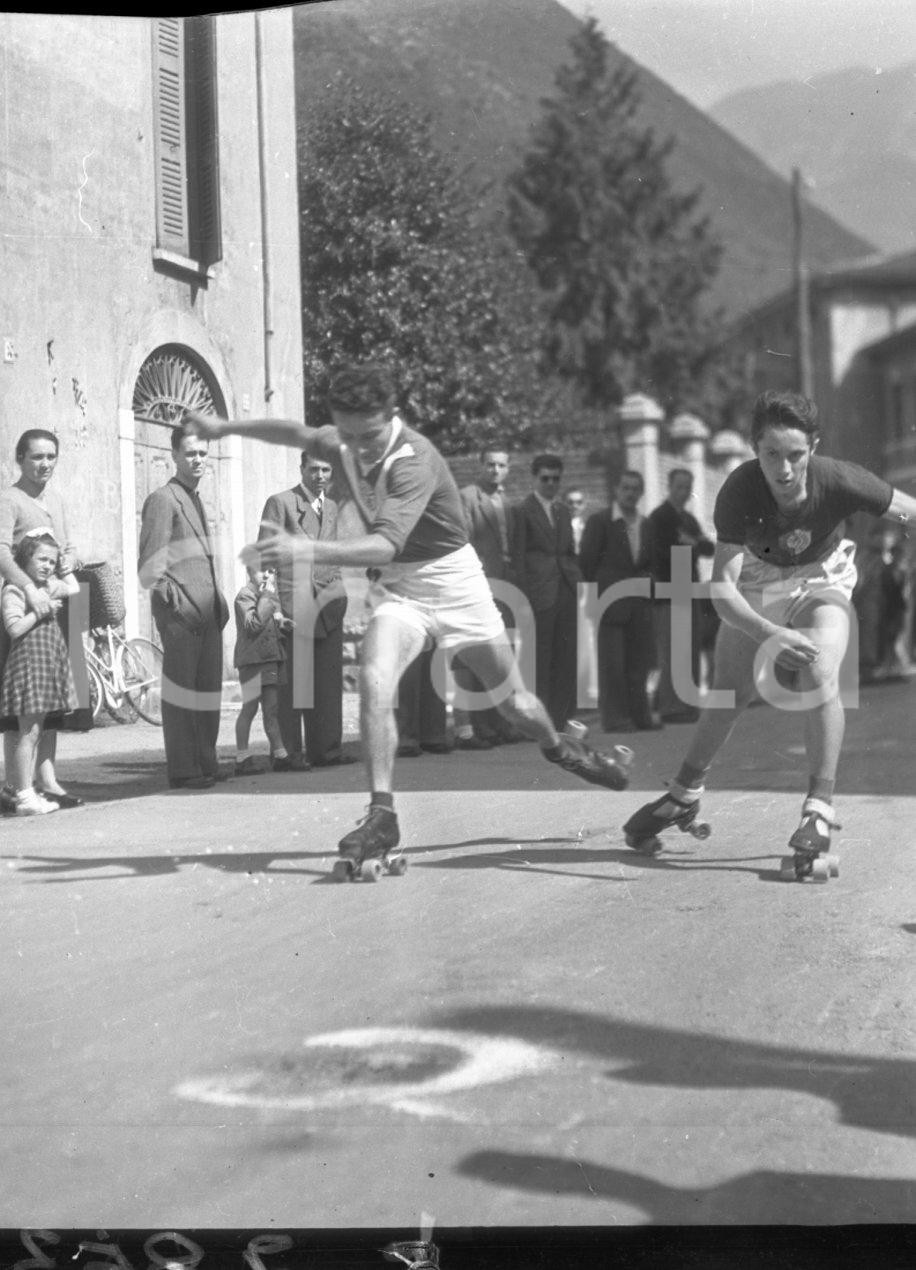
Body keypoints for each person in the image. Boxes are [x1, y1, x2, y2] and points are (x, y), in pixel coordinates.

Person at [185, 362, 630, 868]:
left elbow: (384, 544)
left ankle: (562, 749)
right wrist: (225, 427)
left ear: (391, 416)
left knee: (514, 705)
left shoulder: (413, 459)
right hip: (401, 589)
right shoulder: (344, 440)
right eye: (348, 436)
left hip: (454, 581)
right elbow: (294, 432)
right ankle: (382, 814)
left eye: (369, 436)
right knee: (375, 679)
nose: (359, 448)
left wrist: (303, 548)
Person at [623, 389, 916, 873]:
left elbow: (907, 509)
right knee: (728, 692)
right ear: (754, 449)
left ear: (814, 448)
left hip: (821, 576)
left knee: (819, 670)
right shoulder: (739, 490)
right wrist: (769, 633)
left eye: (795, 455)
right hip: (758, 580)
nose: (783, 470)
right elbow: (722, 590)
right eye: (771, 454)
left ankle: (818, 809)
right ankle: (684, 794)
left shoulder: (839, 479)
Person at [0, 428, 89, 815]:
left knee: (50, 700)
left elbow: (66, 547)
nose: (45, 464)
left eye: (51, 456)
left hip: (56, 607)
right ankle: (15, 785)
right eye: (37, 456)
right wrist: (28, 589)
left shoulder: (57, 500)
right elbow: (1, 552)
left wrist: (71, 558)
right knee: (22, 703)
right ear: (20, 459)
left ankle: (47, 779)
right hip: (24, 606)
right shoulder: (9, 499)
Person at [137, 427, 230, 790]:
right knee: (182, 694)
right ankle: (184, 769)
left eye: (203, 453)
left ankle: (206, 762)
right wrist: (174, 603)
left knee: (207, 693)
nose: (198, 460)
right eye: (190, 453)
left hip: (208, 612)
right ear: (174, 455)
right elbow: (150, 566)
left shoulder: (194, 498)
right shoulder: (164, 499)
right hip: (181, 614)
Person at [258, 447, 352, 768]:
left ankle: (326, 751)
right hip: (292, 605)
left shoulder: (332, 507)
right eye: (314, 469)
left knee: (326, 681)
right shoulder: (281, 503)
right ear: (301, 469)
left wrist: (338, 589)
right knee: (294, 686)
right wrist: (273, 607)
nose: (320, 476)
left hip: (328, 605)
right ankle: (288, 754)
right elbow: (265, 559)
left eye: (326, 470)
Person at [0, 531, 80, 814]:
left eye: (52, 561)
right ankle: (24, 795)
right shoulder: (15, 589)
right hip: (28, 665)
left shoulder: (47, 586)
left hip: (46, 664)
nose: (47, 566)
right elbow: (14, 628)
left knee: (36, 731)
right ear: (25, 558)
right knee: (28, 732)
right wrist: (40, 612)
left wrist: (65, 568)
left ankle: (26, 791)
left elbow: (74, 588)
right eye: (41, 559)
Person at [453, 445, 523, 749]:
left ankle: (501, 723)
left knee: (503, 654)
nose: (496, 470)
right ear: (481, 466)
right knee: (479, 654)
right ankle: (481, 727)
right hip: (479, 582)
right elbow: (462, 540)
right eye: (491, 464)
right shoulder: (468, 497)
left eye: (501, 465)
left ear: (508, 468)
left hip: (506, 584)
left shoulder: (507, 501)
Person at [579, 470, 657, 732]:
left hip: (639, 602)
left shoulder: (646, 524)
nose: (630, 493)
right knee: (612, 664)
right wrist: (597, 597)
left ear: (641, 493)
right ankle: (615, 718)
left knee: (638, 662)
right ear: (616, 490)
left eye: (635, 489)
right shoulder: (600, 521)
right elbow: (586, 563)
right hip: (609, 603)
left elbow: (650, 561)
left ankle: (640, 716)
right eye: (625, 487)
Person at [513, 454, 582, 730]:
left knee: (566, 657)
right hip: (538, 592)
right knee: (539, 659)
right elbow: (518, 558)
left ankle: (560, 719)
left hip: (565, 590)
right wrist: (523, 597)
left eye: (556, 479)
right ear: (534, 478)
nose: (551, 484)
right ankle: (538, 721)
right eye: (545, 478)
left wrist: (576, 582)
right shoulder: (522, 511)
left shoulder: (563, 511)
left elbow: (568, 552)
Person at [648, 468, 716, 723]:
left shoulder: (688, 519)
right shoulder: (659, 517)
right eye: (679, 486)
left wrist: (691, 542)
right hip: (669, 587)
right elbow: (658, 552)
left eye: (688, 487)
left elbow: (709, 548)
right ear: (669, 486)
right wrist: (689, 544)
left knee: (690, 646)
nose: (684, 492)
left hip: (690, 586)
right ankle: (670, 707)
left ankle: (688, 705)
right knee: (672, 648)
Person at [232, 563, 295, 774]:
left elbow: (272, 621)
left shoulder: (269, 596)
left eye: (271, 571)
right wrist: (267, 598)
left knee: (272, 709)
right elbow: (253, 625)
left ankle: (281, 756)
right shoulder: (244, 596)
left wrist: (283, 623)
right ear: (249, 571)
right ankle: (242, 758)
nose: (267, 575)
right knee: (249, 708)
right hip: (252, 662)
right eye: (262, 571)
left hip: (269, 659)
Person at [564, 488, 587, 555]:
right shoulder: (556, 526)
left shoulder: (591, 525)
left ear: (584, 504)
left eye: (579, 502)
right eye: (570, 503)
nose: (574, 506)